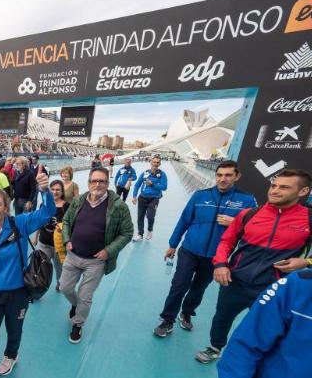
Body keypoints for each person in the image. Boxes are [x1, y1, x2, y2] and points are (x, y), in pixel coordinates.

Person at [195, 169, 312, 364]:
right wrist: (221, 265)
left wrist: (306, 262)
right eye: (274, 185)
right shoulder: (249, 215)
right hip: (235, 281)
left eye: (284, 187)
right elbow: (226, 242)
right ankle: (215, 346)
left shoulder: (308, 219)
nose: (275, 191)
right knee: (222, 317)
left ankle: (258, 359)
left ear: (303, 191)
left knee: (267, 326)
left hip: (274, 286)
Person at [153, 161, 257, 337]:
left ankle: (187, 312)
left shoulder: (246, 200)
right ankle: (167, 319)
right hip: (190, 250)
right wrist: (173, 244)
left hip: (216, 256)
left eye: (228, 175)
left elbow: (256, 228)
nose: (223, 179)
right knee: (179, 284)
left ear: (237, 176)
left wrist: (235, 223)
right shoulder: (200, 196)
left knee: (199, 287)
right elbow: (184, 220)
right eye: (219, 175)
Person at [0, 172, 54, 378]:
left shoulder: (20, 224)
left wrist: (45, 191)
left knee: (14, 331)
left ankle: (11, 356)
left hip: (18, 293)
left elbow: (48, 212)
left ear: (6, 207)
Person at [60, 167, 134, 344]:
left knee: (86, 296)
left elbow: (127, 233)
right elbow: (67, 222)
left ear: (108, 183)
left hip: (96, 261)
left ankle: (78, 323)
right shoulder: (79, 201)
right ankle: (76, 305)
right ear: (89, 183)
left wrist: (109, 250)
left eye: (102, 181)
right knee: (65, 288)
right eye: (94, 181)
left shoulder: (118, 206)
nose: (97, 184)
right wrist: (66, 240)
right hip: (73, 255)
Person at [217, 269, 312, 378]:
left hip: (264, 281)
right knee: (223, 316)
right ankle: (216, 345)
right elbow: (246, 343)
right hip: (242, 279)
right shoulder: (297, 286)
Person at [35, 179, 69, 291]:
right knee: (41, 267)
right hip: (43, 243)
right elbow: (39, 222)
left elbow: (70, 226)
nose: (55, 192)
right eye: (52, 189)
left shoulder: (67, 207)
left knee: (60, 269)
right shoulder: (44, 205)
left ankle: (60, 284)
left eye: (58, 189)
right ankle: (38, 287)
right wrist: (35, 237)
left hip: (59, 246)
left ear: (62, 192)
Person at [132, 156, 168, 241]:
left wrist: (152, 184)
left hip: (154, 198)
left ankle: (150, 230)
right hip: (142, 198)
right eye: (154, 162)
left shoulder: (162, 174)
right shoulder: (145, 173)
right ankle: (140, 235)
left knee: (150, 216)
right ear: (151, 162)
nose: (155, 164)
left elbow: (164, 187)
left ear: (160, 163)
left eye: (157, 162)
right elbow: (137, 185)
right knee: (140, 216)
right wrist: (134, 196)